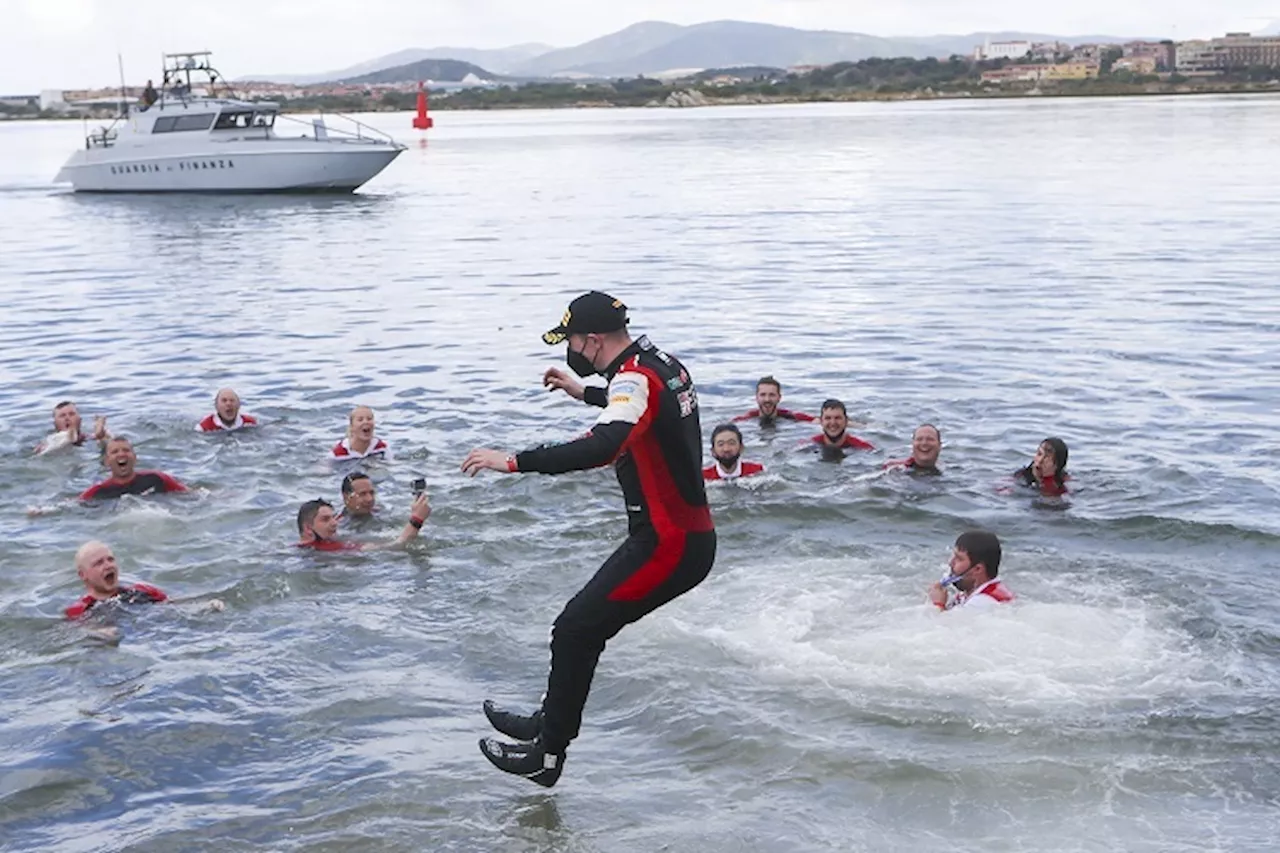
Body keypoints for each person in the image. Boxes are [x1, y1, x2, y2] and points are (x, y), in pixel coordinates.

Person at [461, 290, 716, 788]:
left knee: (576, 629)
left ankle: (547, 755)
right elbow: (645, 408)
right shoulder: (661, 364)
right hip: (677, 537)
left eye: (571, 340)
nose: (570, 349)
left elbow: (604, 445)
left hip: (669, 545)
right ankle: (546, 726)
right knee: (579, 628)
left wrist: (512, 461)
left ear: (593, 341)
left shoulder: (634, 379)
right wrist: (586, 393)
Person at [65, 540, 224, 619]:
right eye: (99, 563)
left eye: (110, 560)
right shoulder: (79, 611)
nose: (108, 566)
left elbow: (171, 605)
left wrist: (203, 605)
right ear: (82, 575)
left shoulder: (143, 591)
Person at [295, 493, 429, 551]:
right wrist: (416, 520)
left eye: (333, 517)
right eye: (325, 519)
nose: (334, 523)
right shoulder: (328, 548)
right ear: (307, 528)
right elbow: (395, 547)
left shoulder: (298, 548)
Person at [79, 437, 188, 501]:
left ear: (135, 458)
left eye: (126, 450)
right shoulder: (98, 492)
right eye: (115, 452)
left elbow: (191, 495)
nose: (121, 454)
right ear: (107, 462)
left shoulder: (157, 478)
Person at [928, 530, 1013, 610]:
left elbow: (942, 625)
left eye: (959, 558)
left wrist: (938, 604)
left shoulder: (982, 602)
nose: (951, 563)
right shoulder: (982, 592)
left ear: (977, 569)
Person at [34, 401, 110, 455]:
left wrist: (101, 436)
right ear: (55, 424)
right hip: (60, 452)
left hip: (84, 452)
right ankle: (70, 436)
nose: (67, 418)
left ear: (80, 420)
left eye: (71, 414)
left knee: (104, 441)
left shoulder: (88, 436)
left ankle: (102, 435)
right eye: (62, 416)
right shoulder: (50, 439)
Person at [733, 376, 815, 426]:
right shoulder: (744, 420)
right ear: (756, 397)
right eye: (763, 395)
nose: (767, 399)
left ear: (779, 398)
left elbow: (817, 421)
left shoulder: (791, 416)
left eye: (772, 395)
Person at [810, 399, 874, 455]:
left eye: (837, 418)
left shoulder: (864, 448)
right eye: (828, 418)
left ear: (846, 421)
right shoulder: (809, 444)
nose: (833, 423)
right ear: (821, 421)